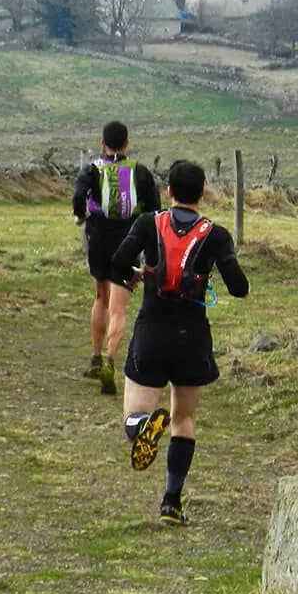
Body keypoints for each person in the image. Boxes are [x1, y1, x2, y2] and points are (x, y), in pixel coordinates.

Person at [109, 158, 249, 525]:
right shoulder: (215, 235)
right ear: (203, 193)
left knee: (132, 414)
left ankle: (142, 427)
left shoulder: (146, 223)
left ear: (168, 191)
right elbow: (240, 288)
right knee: (183, 419)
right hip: (192, 338)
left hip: (151, 332)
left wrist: (137, 274)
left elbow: (117, 262)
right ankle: (172, 502)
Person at [72, 121, 161, 395]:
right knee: (119, 306)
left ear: (103, 144)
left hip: (98, 237)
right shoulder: (140, 172)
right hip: (129, 240)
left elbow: (78, 197)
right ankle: (111, 360)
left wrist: (81, 215)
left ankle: (96, 358)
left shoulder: (92, 170)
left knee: (101, 297)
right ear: (127, 144)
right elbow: (154, 209)